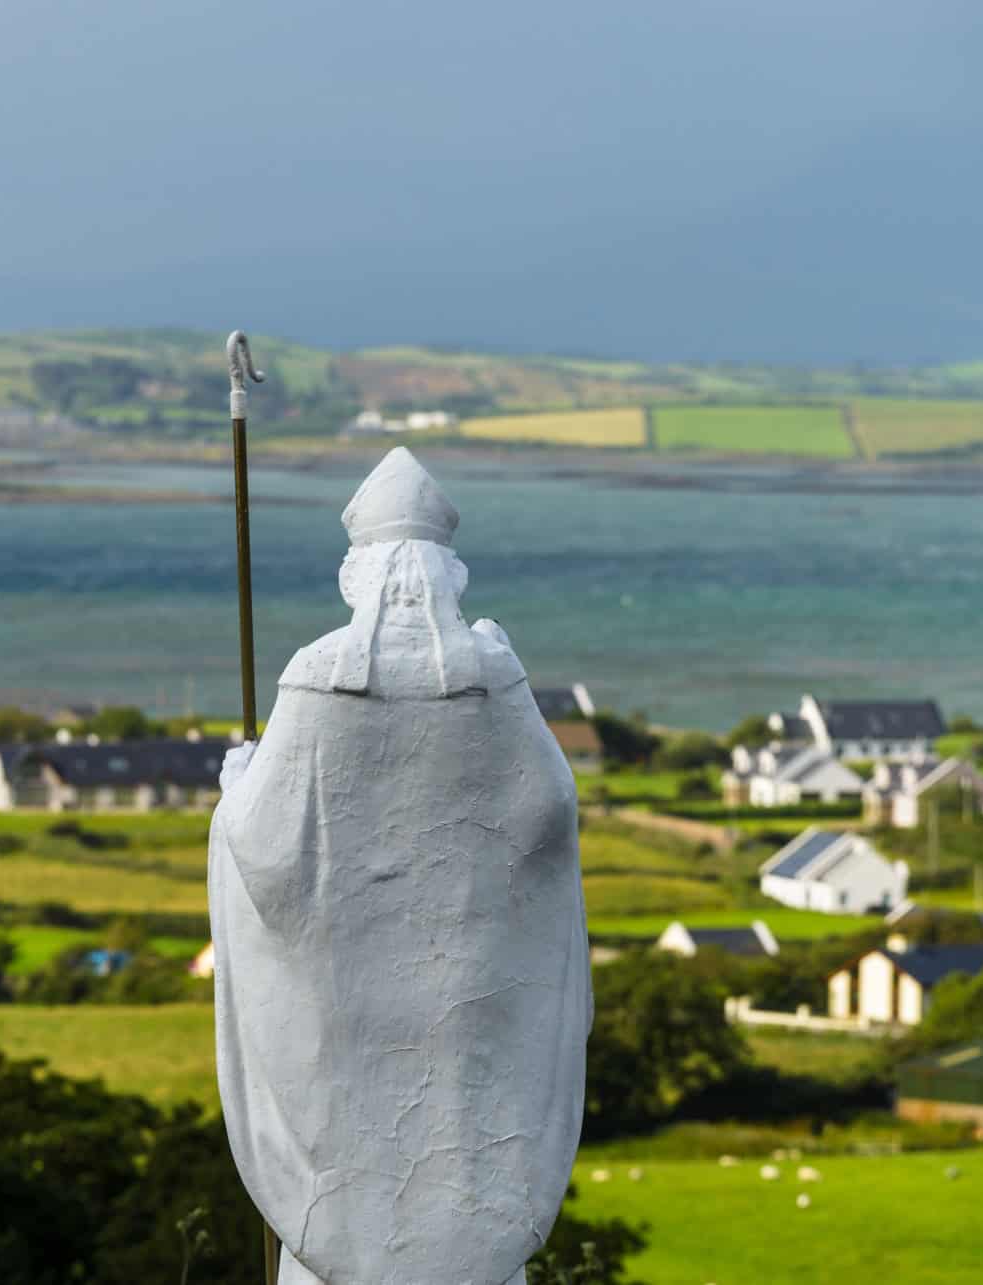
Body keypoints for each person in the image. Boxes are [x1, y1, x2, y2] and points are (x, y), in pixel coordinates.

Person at [209, 448, 591, 1285]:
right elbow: (550, 808)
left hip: (345, 1014)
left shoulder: (318, 676)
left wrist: (239, 783)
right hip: (469, 1004)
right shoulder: (494, 678)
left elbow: (264, 845)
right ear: (452, 575)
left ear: (357, 576)